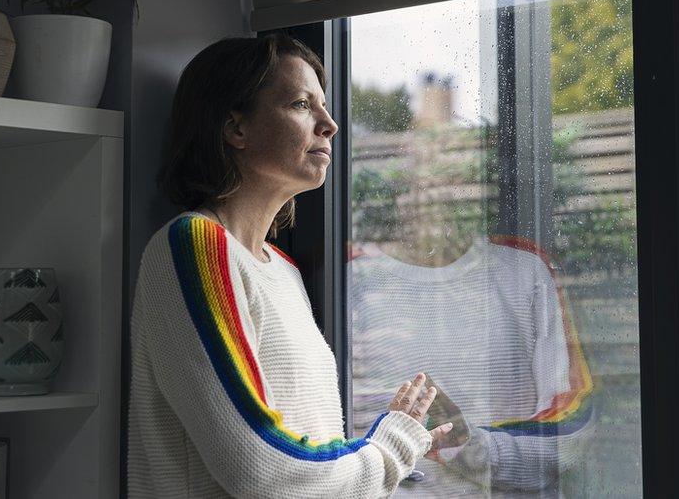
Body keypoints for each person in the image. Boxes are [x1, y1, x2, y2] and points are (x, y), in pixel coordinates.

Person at [127, 34, 453, 498]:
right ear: (235, 127)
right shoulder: (194, 246)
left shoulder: (281, 269)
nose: (330, 125)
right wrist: (389, 450)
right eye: (302, 105)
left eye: (324, 105)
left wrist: (389, 441)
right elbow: (258, 467)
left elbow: (306, 448)